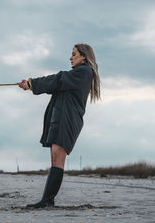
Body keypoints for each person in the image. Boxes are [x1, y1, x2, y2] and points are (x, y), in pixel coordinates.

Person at [18, 43, 101, 208]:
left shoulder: (84, 72)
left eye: (74, 54)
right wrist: (30, 85)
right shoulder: (77, 74)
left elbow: (59, 79)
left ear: (84, 56)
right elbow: (56, 85)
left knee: (58, 159)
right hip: (61, 117)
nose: (70, 57)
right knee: (55, 158)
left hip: (67, 119)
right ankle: (47, 200)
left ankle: (47, 201)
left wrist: (32, 83)